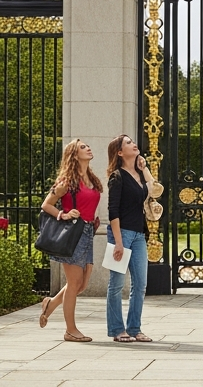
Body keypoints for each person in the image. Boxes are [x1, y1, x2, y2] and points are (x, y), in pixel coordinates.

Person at [38, 139, 103, 342]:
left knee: (81, 284)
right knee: (74, 283)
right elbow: (46, 205)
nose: (88, 148)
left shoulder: (91, 178)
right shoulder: (67, 181)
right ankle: (70, 330)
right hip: (73, 234)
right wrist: (63, 215)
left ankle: (50, 305)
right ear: (74, 155)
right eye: (83, 147)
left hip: (87, 231)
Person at [105, 134, 152, 344]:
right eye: (129, 143)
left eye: (133, 141)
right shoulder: (117, 176)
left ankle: (134, 328)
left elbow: (154, 191)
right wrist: (118, 242)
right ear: (120, 152)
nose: (134, 144)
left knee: (140, 284)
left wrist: (144, 168)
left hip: (139, 234)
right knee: (116, 285)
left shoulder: (139, 175)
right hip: (121, 233)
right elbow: (112, 210)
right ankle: (117, 329)